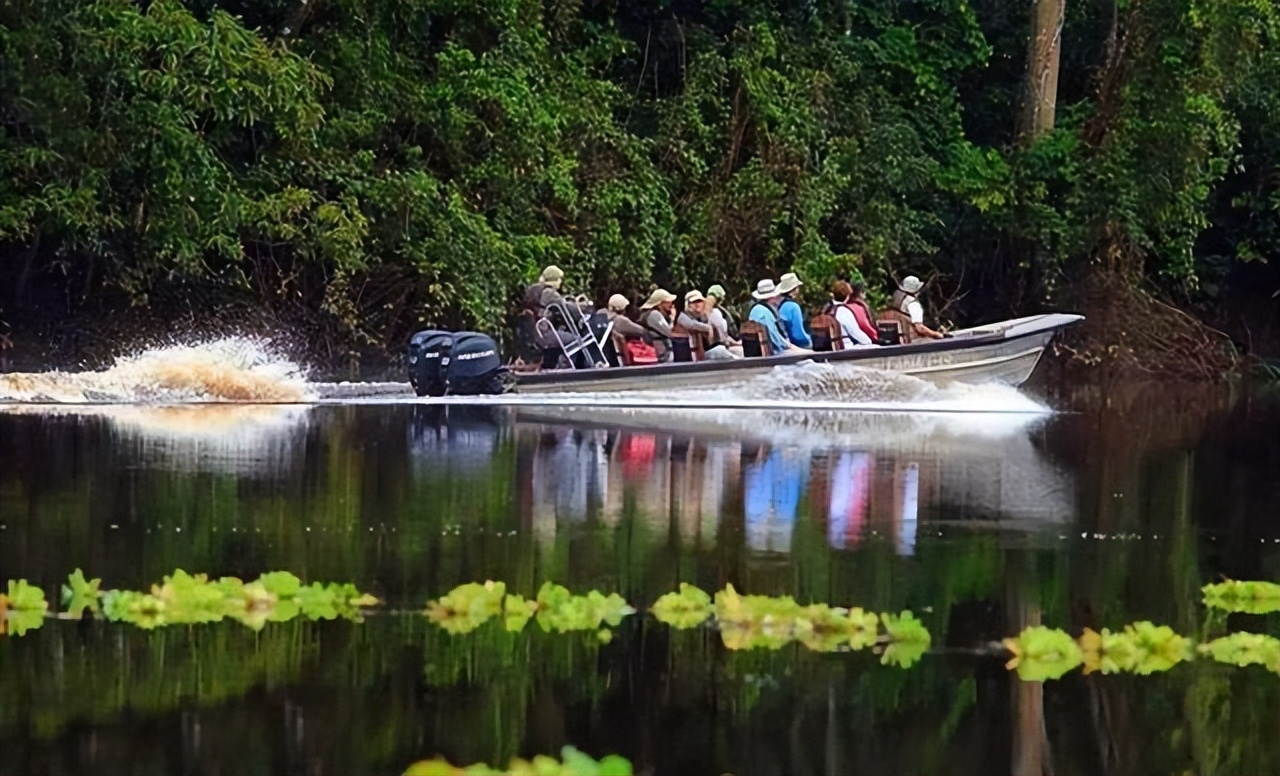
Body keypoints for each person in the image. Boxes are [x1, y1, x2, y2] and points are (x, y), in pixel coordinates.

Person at [748, 279, 810, 354]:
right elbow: (776, 340)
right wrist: (792, 347)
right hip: (774, 353)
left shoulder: (755, 310)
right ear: (772, 297)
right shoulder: (766, 313)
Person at [677, 290, 739, 360]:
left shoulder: (703, 317)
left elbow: (722, 337)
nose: (697, 304)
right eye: (694, 302)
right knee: (720, 351)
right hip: (692, 356)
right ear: (687, 304)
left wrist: (736, 343)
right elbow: (692, 325)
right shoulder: (683, 317)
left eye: (699, 301)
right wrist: (708, 328)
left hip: (705, 352)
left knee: (737, 350)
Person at [891, 276, 945, 340]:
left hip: (895, 336)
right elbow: (920, 328)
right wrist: (936, 334)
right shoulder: (913, 304)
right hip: (911, 339)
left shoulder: (895, 298)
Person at [828, 280, 875, 347]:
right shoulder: (843, 311)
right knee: (876, 347)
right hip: (845, 348)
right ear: (847, 295)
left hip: (827, 347)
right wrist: (868, 342)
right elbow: (855, 332)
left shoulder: (827, 309)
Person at [639, 288, 678, 362]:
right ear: (660, 303)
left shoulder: (651, 313)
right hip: (661, 355)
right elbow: (669, 332)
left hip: (659, 354)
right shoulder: (654, 314)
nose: (671, 304)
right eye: (668, 302)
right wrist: (672, 318)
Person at [775, 272, 813, 347]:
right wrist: (810, 339)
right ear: (795, 290)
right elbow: (798, 335)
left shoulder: (778, 305)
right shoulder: (793, 307)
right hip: (795, 345)